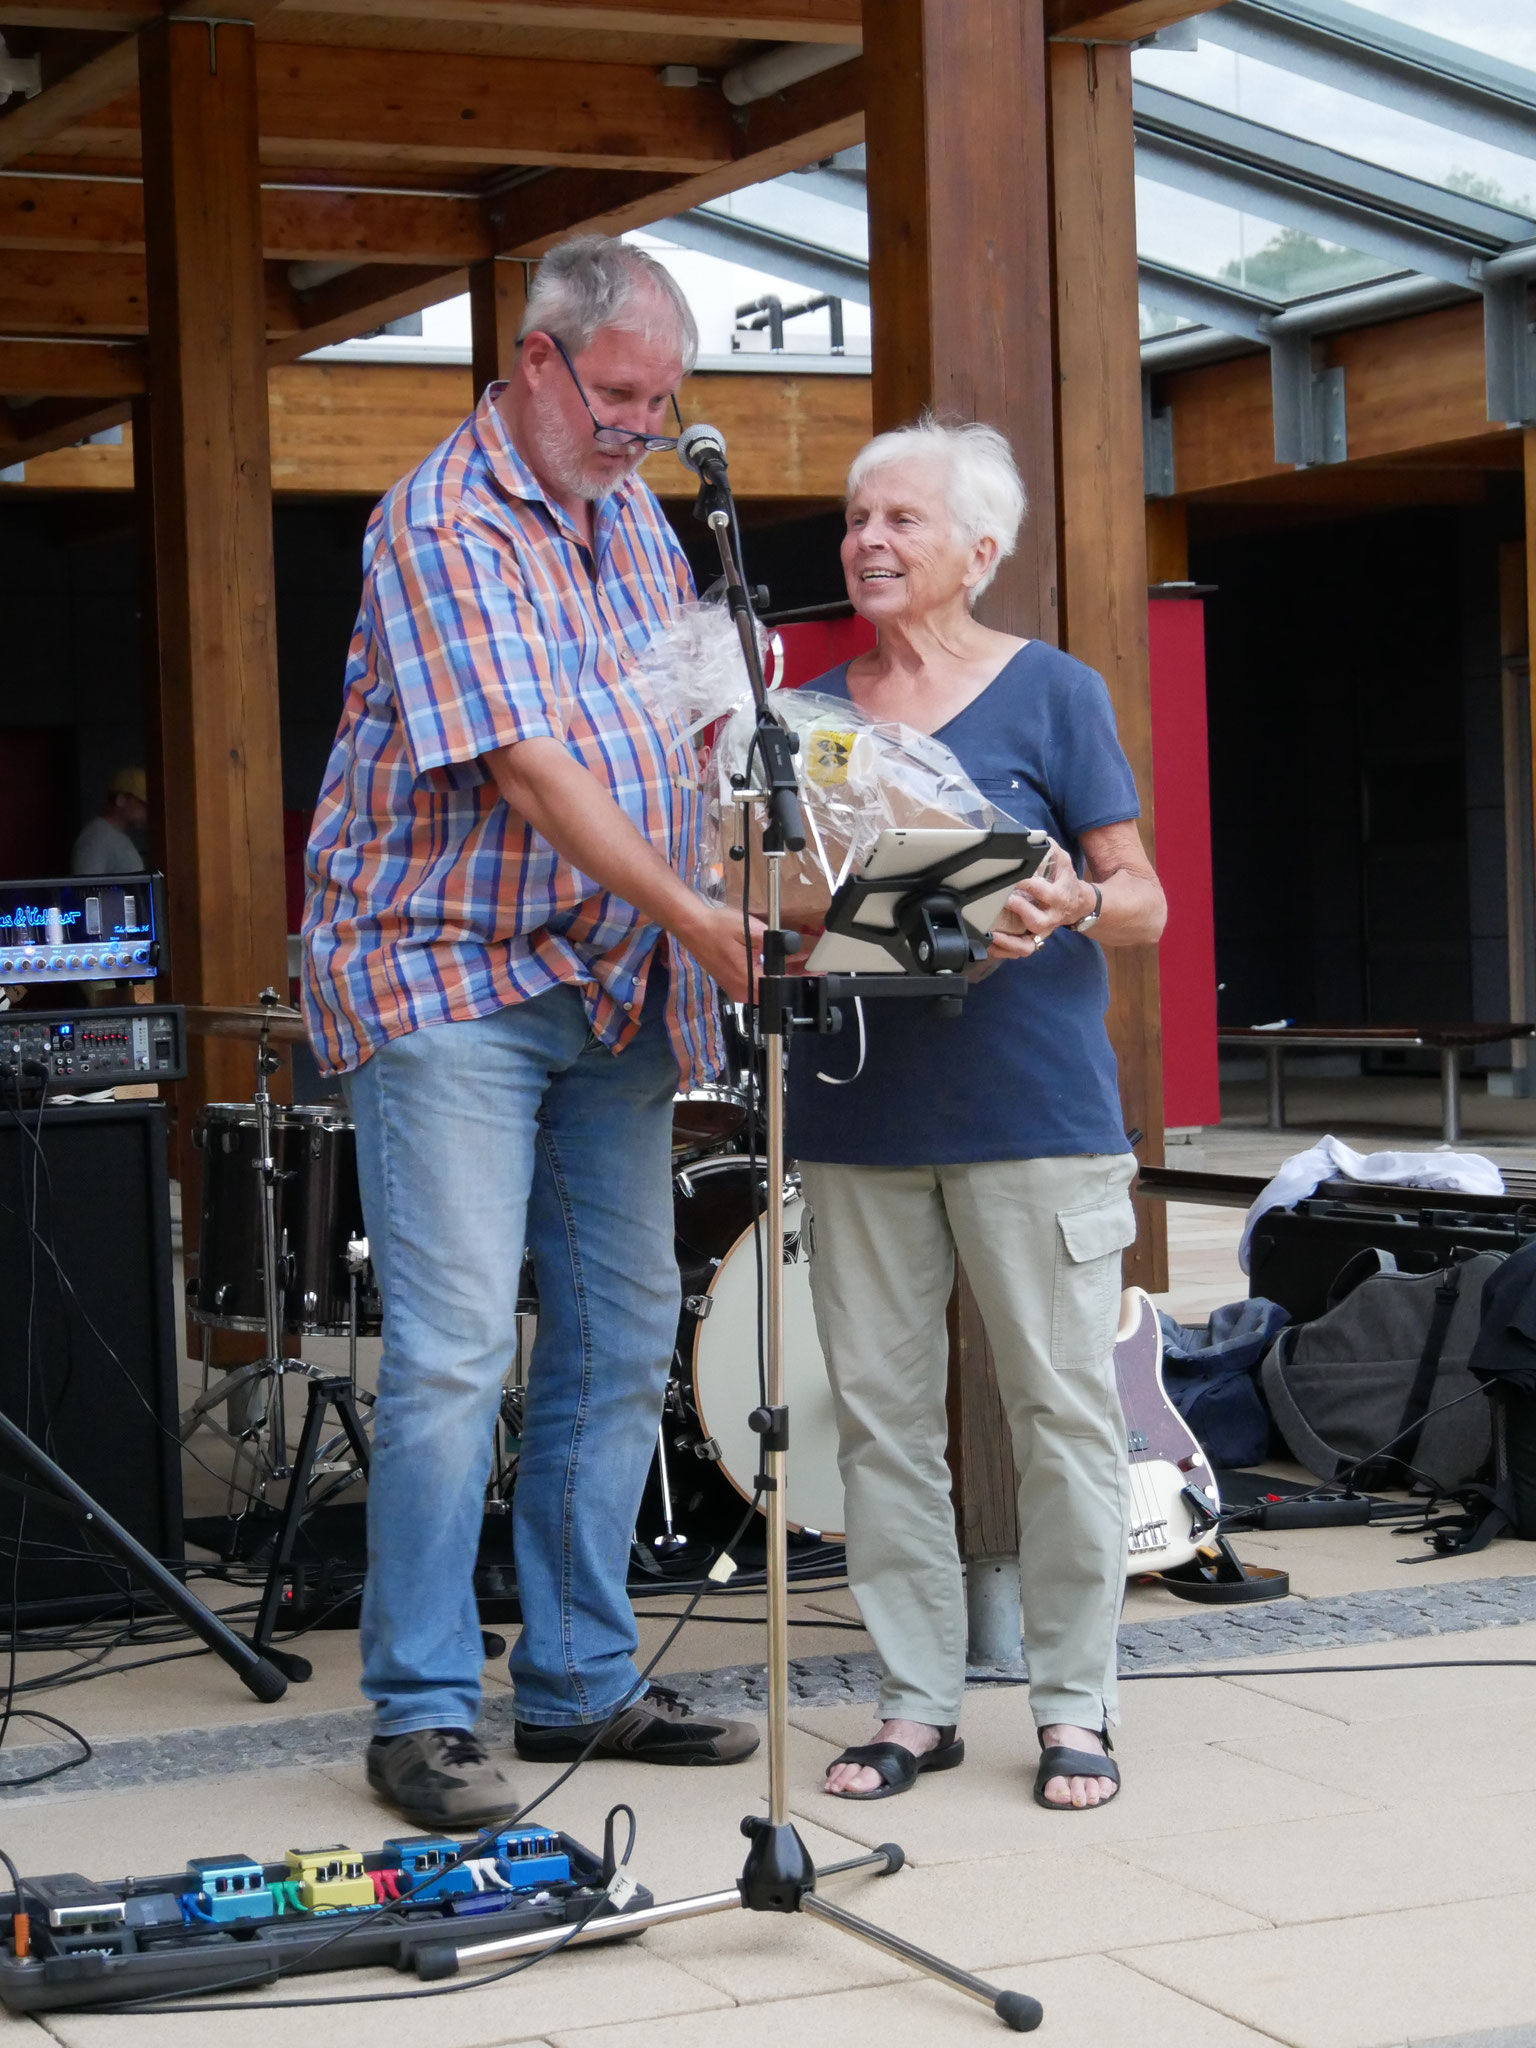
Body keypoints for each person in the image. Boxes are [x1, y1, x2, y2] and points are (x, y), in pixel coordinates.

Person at [302, 235, 760, 1831]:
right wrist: (700, 914)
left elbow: (675, 721)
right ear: (538, 361)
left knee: (624, 1335)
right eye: (621, 394)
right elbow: (529, 770)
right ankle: (423, 1712)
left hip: (612, 984)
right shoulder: (439, 519)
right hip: (447, 979)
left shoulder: (634, 519)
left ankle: (578, 1678)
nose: (643, 427)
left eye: (663, 401)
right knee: (451, 1352)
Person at [787, 418, 1167, 1813]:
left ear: (980, 549)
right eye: (857, 518)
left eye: (902, 519)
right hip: (862, 1116)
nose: (869, 541)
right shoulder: (808, 719)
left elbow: (1144, 900)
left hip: (1036, 1113)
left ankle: (1074, 1705)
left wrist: (1073, 898)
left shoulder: (1053, 690)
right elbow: (776, 898)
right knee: (880, 1424)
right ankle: (916, 1702)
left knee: (1061, 1413)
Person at [71, 766, 148, 874]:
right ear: (121, 799)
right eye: (142, 804)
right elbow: (86, 883)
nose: (146, 811)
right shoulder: (96, 838)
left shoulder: (113, 836)